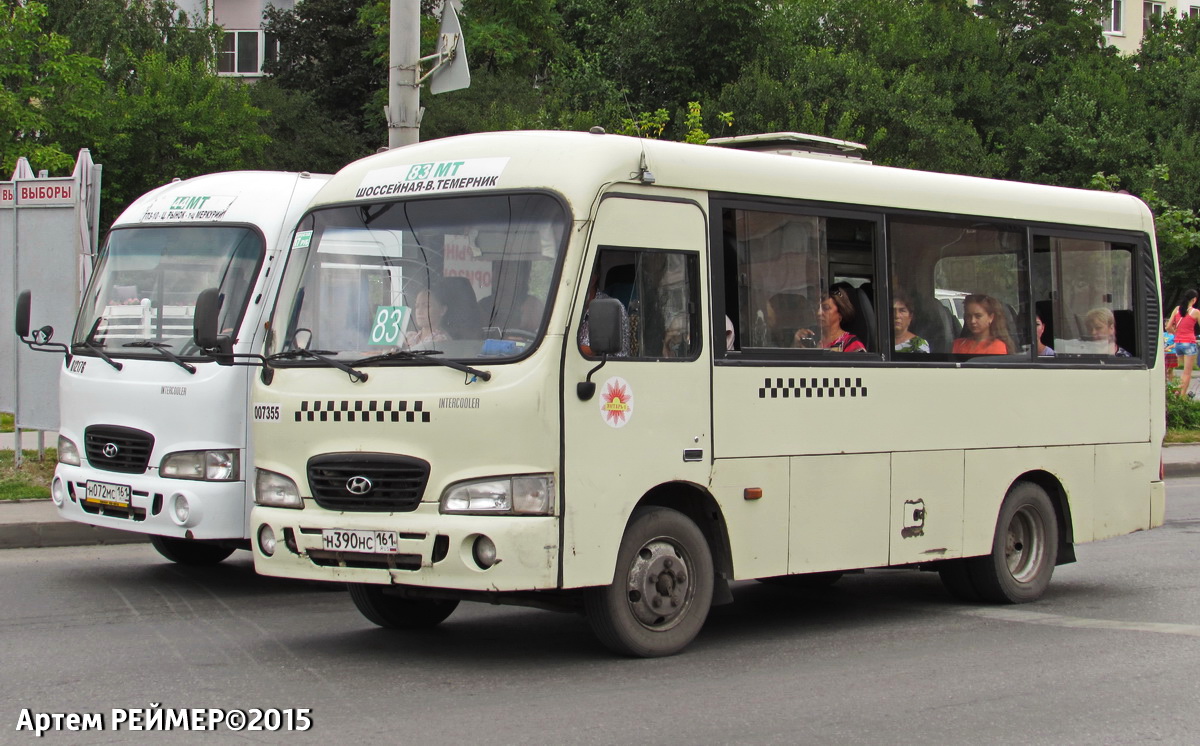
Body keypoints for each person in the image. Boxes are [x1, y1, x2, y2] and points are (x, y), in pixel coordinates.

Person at [794, 285, 866, 352]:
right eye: (817, 308)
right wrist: (796, 345)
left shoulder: (851, 344)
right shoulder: (810, 338)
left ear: (840, 313)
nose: (818, 313)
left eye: (826, 308)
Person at [1167, 289, 1200, 396]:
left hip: (1178, 344)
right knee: (1187, 373)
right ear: (1194, 299)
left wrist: (1176, 334)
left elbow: (1168, 327)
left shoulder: (1177, 309)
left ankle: (1177, 390)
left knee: (1180, 370)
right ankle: (1181, 395)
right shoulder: (1195, 312)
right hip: (1189, 343)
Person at [406, 285, 452, 350]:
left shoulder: (441, 340)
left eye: (426, 306)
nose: (419, 312)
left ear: (442, 310)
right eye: (417, 306)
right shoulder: (410, 337)